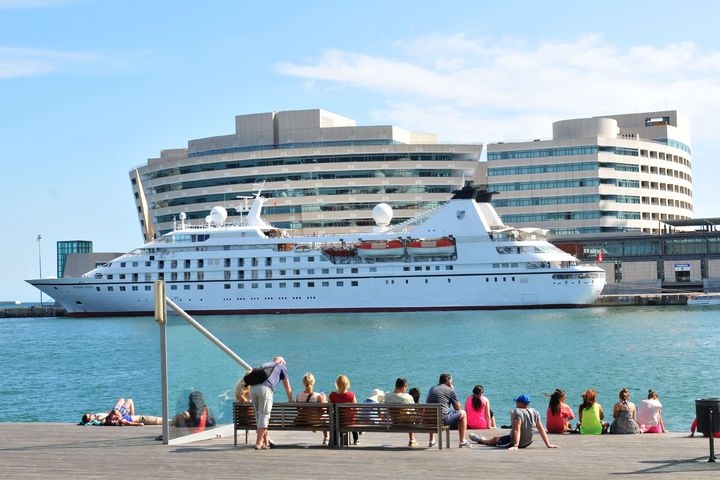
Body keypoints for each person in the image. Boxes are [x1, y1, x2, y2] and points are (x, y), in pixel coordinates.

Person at [469, 394, 558, 450]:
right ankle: (482, 439)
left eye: (517, 402)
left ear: (520, 403)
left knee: (495, 440)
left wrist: (515, 445)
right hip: (528, 441)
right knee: (497, 438)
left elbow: (517, 430)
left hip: (516, 442)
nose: (516, 404)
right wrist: (548, 444)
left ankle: (480, 440)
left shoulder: (517, 412)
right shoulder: (535, 412)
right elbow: (541, 429)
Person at [250, 356, 292, 450]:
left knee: (259, 416)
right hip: (266, 389)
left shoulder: (264, 365)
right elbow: (287, 387)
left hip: (253, 388)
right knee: (265, 415)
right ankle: (258, 443)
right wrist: (290, 400)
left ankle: (266, 442)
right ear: (281, 362)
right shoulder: (281, 366)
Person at [426, 372, 469, 448]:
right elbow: (458, 408)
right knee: (463, 413)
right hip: (442, 420)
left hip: (430, 419)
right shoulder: (450, 390)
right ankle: (462, 441)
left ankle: (432, 440)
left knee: (432, 412)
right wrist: (452, 390)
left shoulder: (432, 388)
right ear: (449, 381)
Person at [295, 372, 329, 445]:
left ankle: (313, 426)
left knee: (312, 416)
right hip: (316, 422)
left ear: (303, 383)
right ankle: (326, 438)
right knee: (326, 418)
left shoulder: (299, 395)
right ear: (313, 383)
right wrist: (324, 399)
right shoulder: (318, 396)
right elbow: (323, 411)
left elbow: (298, 410)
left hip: (304, 421)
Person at [80, 398, 163, 426]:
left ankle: (171, 421)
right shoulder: (98, 419)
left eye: (90, 414)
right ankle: (172, 421)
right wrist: (138, 424)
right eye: (90, 416)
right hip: (130, 417)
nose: (91, 415)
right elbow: (126, 423)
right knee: (129, 400)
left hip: (119, 414)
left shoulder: (98, 417)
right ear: (89, 420)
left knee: (122, 399)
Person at [384, 377, 418, 447]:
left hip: (395, 422)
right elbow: (413, 412)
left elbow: (384, 411)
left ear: (395, 386)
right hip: (408, 423)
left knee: (407, 415)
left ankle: (412, 440)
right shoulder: (408, 397)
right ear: (404, 386)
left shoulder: (387, 396)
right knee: (409, 416)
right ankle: (412, 439)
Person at [329, 374, 359, 445]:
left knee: (335, 421)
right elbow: (356, 409)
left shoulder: (332, 395)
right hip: (349, 421)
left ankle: (334, 440)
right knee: (352, 419)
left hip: (337, 421)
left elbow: (328, 409)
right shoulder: (351, 395)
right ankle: (356, 440)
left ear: (337, 384)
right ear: (347, 384)